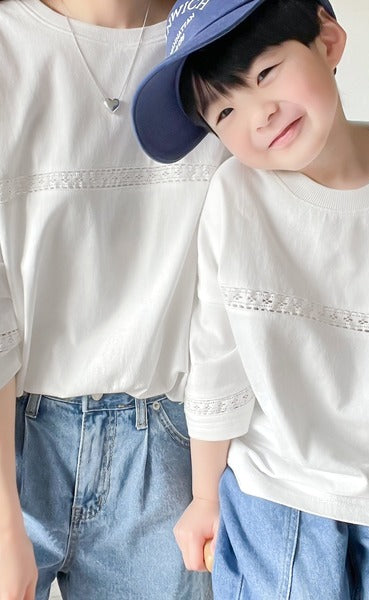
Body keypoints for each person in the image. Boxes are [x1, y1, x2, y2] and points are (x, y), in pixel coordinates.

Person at [132, 0, 369, 598]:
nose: (260, 114)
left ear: (327, 42)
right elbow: (218, 355)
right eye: (226, 110)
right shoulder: (236, 196)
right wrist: (204, 498)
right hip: (273, 496)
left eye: (266, 73)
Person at [0, 0, 227, 598]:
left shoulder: (215, 33)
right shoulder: (10, 44)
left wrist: (211, 486)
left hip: (170, 444)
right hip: (12, 435)